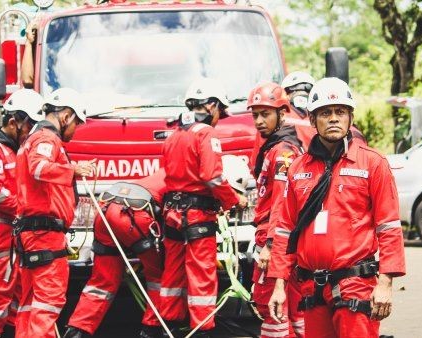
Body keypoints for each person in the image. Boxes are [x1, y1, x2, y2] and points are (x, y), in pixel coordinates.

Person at [267, 77, 406, 338]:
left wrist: (386, 283)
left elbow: (388, 227)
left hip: (355, 285)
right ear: (312, 120)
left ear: (350, 118)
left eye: (340, 112)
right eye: (325, 112)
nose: (333, 118)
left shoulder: (372, 164)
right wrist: (278, 284)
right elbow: (285, 230)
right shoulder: (297, 168)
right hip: (312, 288)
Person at [159, 77, 248, 337]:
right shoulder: (206, 134)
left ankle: (169, 324)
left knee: (172, 273)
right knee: (201, 273)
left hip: (173, 214)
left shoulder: (174, 135)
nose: (220, 117)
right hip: (197, 215)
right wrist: (232, 200)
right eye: (220, 110)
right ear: (210, 106)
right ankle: (202, 328)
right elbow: (213, 176)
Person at [14, 88, 95, 338]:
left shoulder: (34, 138)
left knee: (31, 306)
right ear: (67, 116)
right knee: (48, 304)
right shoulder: (47, 139)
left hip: (33, 233)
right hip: (44, 234)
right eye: (76, 124)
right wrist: (73, 170)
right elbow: (39, 167)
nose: (74, 131)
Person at [64, 169, 167, 338]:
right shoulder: (184, 177)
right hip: (133, 217)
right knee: (160, 277)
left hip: (104, 213)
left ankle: (77, 330)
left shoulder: (161, 173)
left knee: (101, 283)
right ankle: (151, 329)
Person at [0, 89, 44, 338]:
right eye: (28, 125)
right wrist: (26, 207)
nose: (29, 133)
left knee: (17, 291)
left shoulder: (16, 150)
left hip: (15, 231)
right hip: (0, 230)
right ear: (14, 120)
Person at [247, 82, 305, 338]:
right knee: (293, 311)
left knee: (271, 305)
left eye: (265, 114)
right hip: (280, 239)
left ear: (282, 113)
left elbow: (282, 203)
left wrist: (271, 245)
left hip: (275, 239)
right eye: (255, 115)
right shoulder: (277, 147)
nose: (259, 121)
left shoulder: (282, 153)